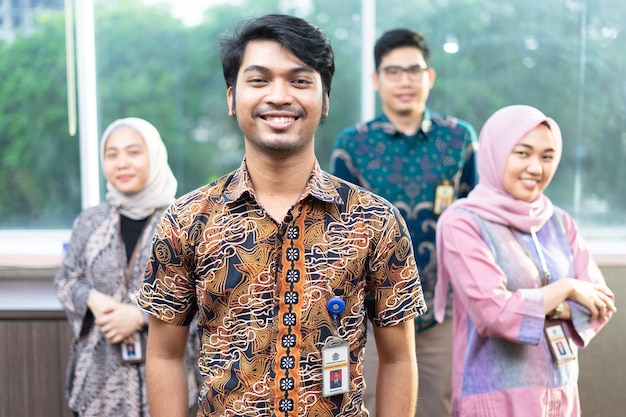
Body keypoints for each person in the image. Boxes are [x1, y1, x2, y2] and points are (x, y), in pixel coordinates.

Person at [136, 14, 426, 417]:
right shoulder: (188, 219)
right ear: (231, 97)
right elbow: (165, 355)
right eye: (259, 80)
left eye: (300, 80)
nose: (279, 96)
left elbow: (397, 359)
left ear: (325, 100)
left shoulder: (374, 220)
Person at [330, 28, 478, 417]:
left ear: (429, 76)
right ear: (376, 80)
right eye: (393, 72)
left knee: (440, 405)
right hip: (371, 310)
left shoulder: (460, 139)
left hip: (443, 309)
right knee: (376, 405)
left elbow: (478, 220)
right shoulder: (352, 145)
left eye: (414, 70)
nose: (405, 81)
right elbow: (338, 232)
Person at [433, 104, 617, 416]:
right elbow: (493, 315)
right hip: (493, 396)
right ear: (497, 152)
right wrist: (568, 289)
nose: (536, 167)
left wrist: (541, 306)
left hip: (561, 392)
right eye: (522, 153)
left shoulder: (560, 222)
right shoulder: (463, 222)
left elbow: (601, 301)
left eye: (547, 157)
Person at [54, 117, 200, 416]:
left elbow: (203, 294)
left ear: (155, 155)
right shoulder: (90, 221)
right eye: (112, 154)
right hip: (98, 379)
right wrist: (92, 299)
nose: (122, 163)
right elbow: (67, 279)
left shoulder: (183, 220)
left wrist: (141, 316)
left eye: (133, 152)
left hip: (165, 380)